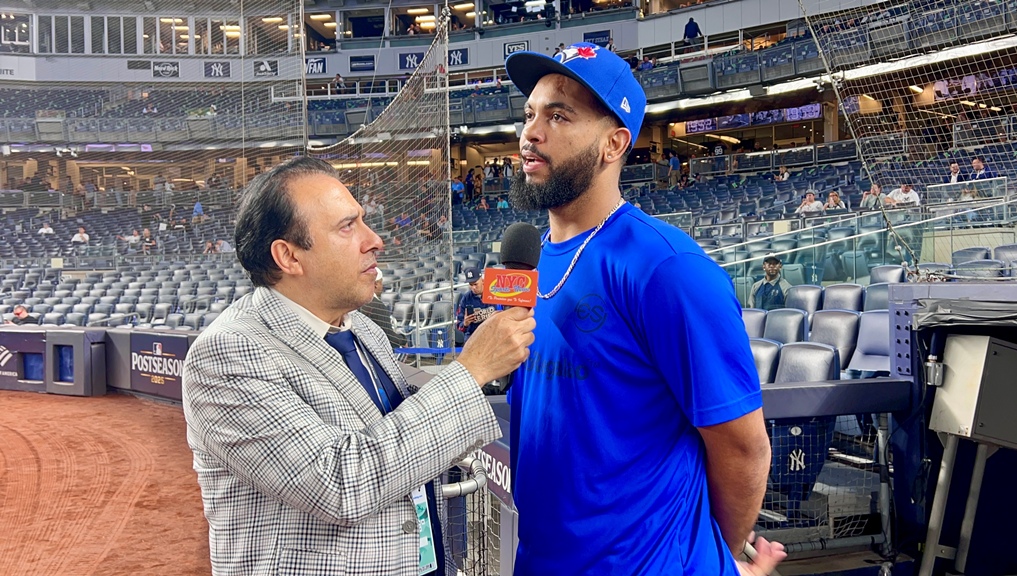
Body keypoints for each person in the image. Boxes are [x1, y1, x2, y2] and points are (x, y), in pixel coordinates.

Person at [181, 156, 535, 576]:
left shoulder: (363, 328)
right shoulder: (227, 354)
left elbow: (396, 439)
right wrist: (471, 370)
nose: (375, 240)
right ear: (289, 256)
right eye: (347, 227)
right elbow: (341, 484)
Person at [505, 42, 782, 575]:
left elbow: (743, 449)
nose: (531, 133)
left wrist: (714, 558)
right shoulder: (531, 257)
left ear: (614, 143)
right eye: (530, 114)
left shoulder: (667, 268)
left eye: (559, 116)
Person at [359, 268, 406, 349]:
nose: (382, 286)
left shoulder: (355, 302)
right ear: (376, 284)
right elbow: (390, 339)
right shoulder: (377, 306)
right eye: (381, 283)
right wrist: (403, 340)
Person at [455, 267, 498, 340]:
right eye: (471, 285)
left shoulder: (494, 294)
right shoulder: (466, 298)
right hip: (473, 334)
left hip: (493, 333)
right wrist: (465, 323)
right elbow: (459, 325)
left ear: (483, 281)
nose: (473, 287)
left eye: (475, 284)